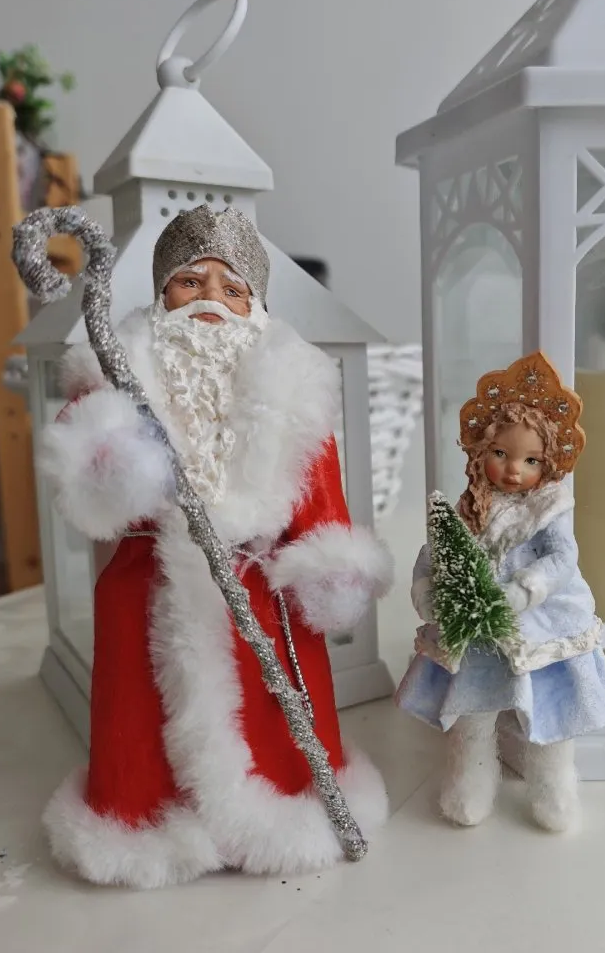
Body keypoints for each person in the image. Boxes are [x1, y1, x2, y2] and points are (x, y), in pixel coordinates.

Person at [39, 205, 392, 889]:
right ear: (162, 294)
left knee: (271, 713)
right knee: (145, 714)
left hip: (260, 584)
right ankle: (150, 825)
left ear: (255, 307)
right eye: (190, 282)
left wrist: (329, 562)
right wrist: (116, 456)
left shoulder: (292, 388)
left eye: (233, 289)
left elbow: (318, 483)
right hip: (152, 581)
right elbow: (84, 473)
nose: (211, 299)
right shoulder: (123, 372)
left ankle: (281, 809)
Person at [395, 352, 605, 833]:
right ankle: (468, 785)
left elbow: (562, 557)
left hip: (536, 621)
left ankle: (553, 789)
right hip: (475, 622)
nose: (514, 470)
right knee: (473, 712)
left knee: (549, 712)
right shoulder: (468, 505)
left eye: (530, 460)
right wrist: (427, 588)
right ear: (481, 451)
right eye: (501, 454)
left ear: (548, 462)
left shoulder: (549, 506)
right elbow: (435, 553)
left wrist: (527, 587)